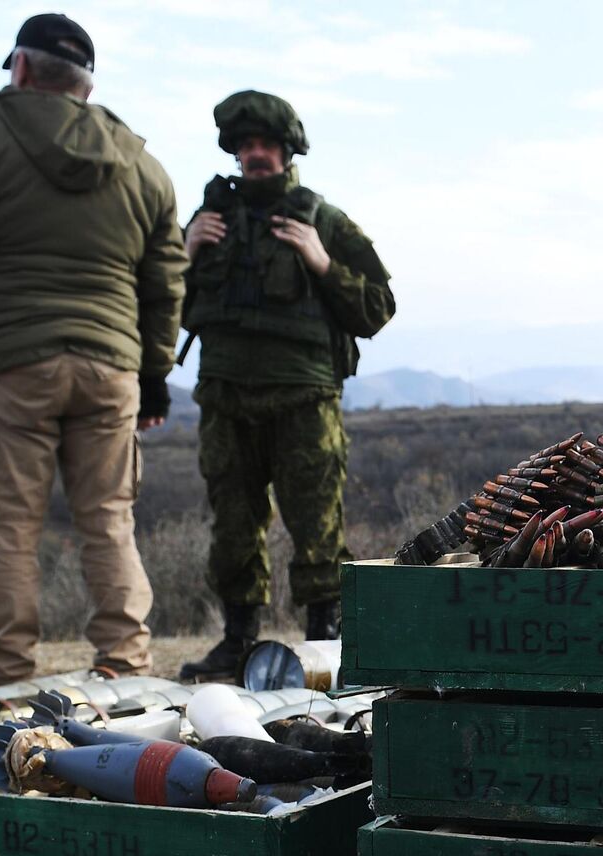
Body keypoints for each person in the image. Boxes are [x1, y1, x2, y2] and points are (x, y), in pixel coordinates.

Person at [0, 14, 187, 693]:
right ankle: (127, 667)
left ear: (20, 68)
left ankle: (2, 680)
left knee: (9, 528)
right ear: (85, 87)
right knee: (109, 520)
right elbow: (166, 277)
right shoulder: (143, 165)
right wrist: (155, 372)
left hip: (16, 359)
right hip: (112, 366)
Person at [177, 90, 395, 680]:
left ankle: (325, 639)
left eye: (266, 144)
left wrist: (324, 263)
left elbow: (378, 307)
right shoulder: (206, 223)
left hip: (303, 400)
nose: (255, 155)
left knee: (318, 522)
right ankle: (237, 640)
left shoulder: (321, 219)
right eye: (244, 145)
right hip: (226, 398)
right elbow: (162, 308)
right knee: (232, 523)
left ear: (287, 149)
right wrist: (183, 254)